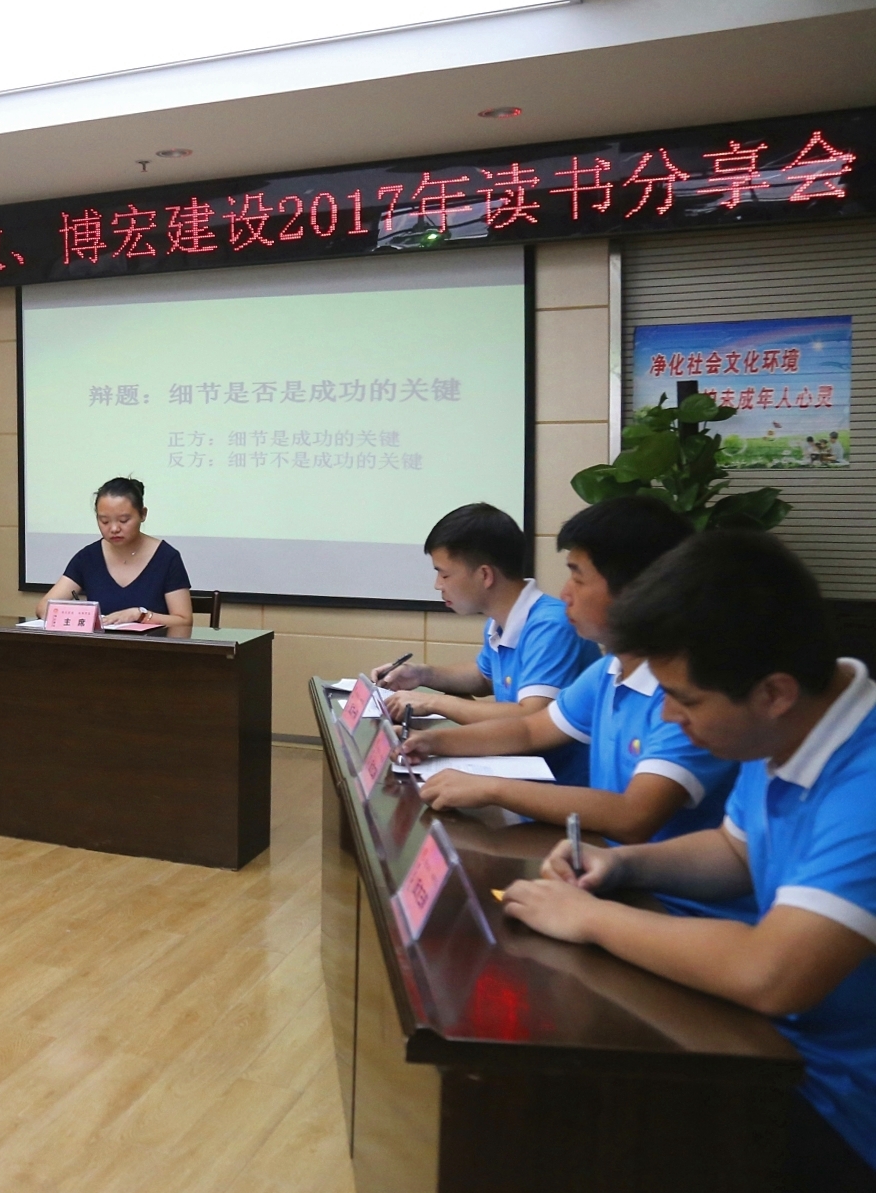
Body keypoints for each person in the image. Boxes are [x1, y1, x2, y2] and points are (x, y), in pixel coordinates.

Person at [501, 531, 876, 1189]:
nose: (670, 715)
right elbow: (736, 849)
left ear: (775, 692)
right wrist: (625, 866)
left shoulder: (863, 782)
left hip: (840, 1105)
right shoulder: (788, 726)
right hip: (770, 1046)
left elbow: (771, 972)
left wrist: (588, 918)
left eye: (688, 699)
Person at [407, 499, 736, 857]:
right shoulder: (608, 671)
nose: (565, 594)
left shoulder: (691, 696)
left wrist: (491, 788)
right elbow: (530, 730)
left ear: (638, 590)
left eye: (578, 578)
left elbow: (634, 816)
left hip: (653, 883)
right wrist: (433, 743)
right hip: (604, 860)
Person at [374, 503, 598, 772]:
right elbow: (485, 677)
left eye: (444, 574)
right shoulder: (501, 620)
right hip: (518, 767)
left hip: (559, 782)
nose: (438, 585)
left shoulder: (551, 626)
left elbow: (532, 716)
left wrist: (433, 702)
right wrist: (422, 674)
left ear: (485, 575)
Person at [37, 477, 194, 626]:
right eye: (104, 521)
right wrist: (80, 616)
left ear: (143, 514)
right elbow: (44, 608)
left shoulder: (167, 558)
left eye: (124, 520)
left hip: (150, 644)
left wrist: (140, 615)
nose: (114, 528)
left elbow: (184, 620)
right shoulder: (88, 557)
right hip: (100, 644)